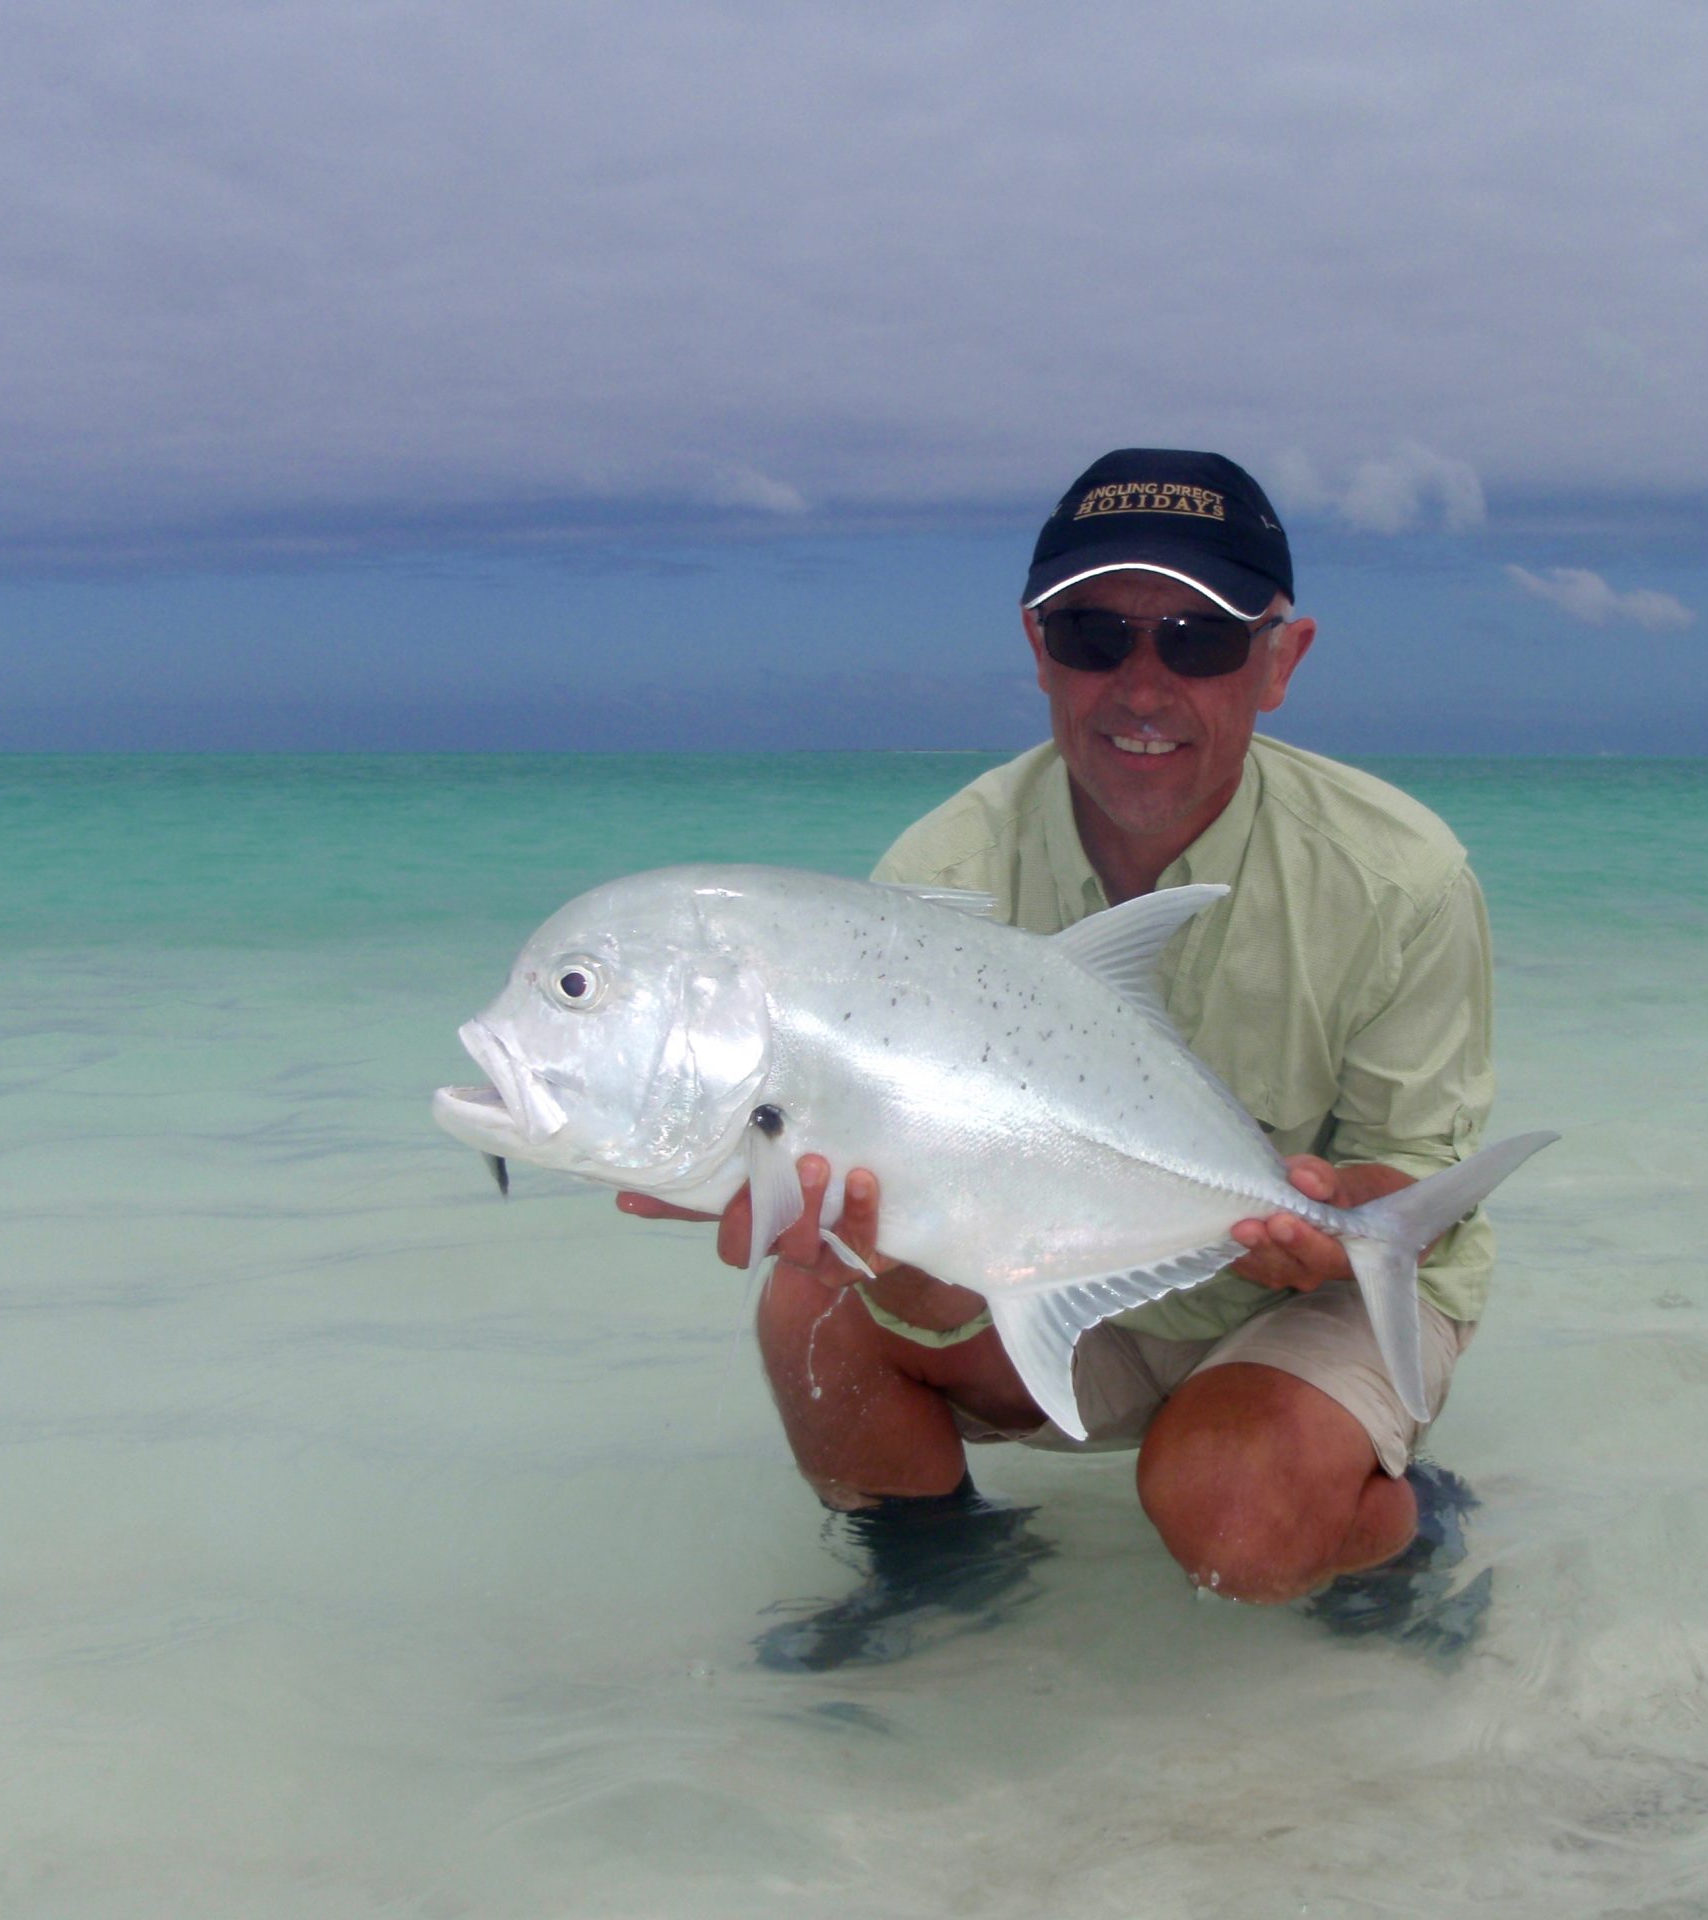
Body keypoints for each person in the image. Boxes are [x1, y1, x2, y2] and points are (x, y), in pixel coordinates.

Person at [620, 449, 1501, 1668]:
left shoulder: (1401, 876)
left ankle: (1394, 1522)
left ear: (1279, 662)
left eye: (1198, 639)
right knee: (813, 1302)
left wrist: (1331, 1227)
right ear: (1039, 646)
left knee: (1234, 1524)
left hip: (1327, 1281)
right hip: (1066, 1266)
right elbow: (932, 1240)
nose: (1141, 686)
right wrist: (896, 1273)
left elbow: (1416, 1177)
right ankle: (942, 1584)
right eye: (1097, 634)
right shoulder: (941, 879)